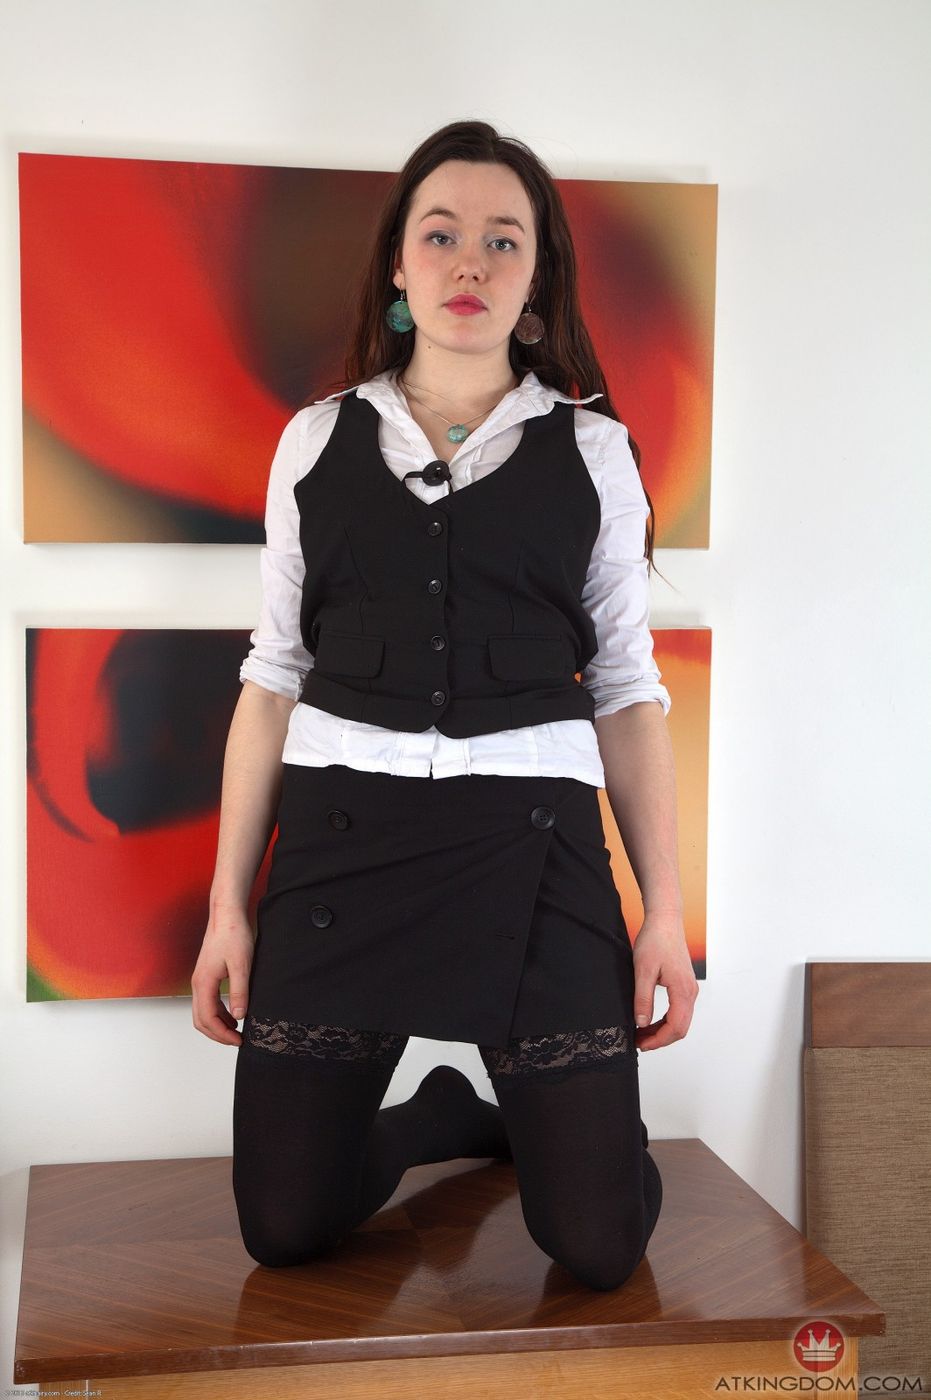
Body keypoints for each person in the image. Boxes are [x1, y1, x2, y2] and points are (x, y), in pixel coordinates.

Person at [191, 119, 699, 1291]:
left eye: (503, 239)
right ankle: (437, 1116)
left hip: (534, 847)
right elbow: (273, 676)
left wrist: (663, 913)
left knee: (598, 1242)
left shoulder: (596, 452)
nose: (470, 260)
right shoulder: (314, 440)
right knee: (283, 1223)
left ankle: (571, 1137)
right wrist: (227, 908)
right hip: (344, 846)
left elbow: (626, 690)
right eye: (442, 234)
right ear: (400, 266)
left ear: (536, 279)